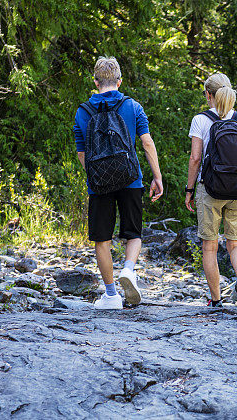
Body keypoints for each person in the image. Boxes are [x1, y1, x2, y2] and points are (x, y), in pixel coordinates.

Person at [74, 56, 164, 310]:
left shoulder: (83, 111)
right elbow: (146, 142)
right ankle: (128, 269)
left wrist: (96, 175)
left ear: (95, 81)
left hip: (99, 183)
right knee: (133, 232)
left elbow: (82, 154)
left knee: (102, 239)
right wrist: (156, 176)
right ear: (119, 81)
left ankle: (111, 295)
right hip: (131, 178)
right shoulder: (132, 106)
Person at [185, 73, 237, 311]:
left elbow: (195, 158)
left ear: (208, 95)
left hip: (210, 189)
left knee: (209, 246)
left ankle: (216, 299)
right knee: (235, 243)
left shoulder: (200, 120)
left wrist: (189, 189)